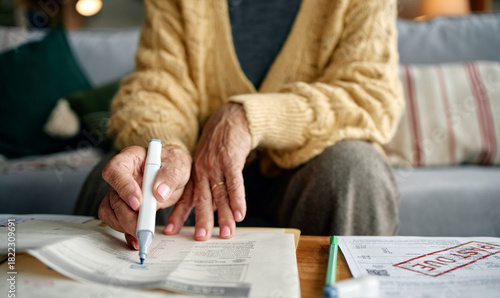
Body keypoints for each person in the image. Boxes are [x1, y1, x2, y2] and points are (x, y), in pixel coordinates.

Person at [75, 0, 404, 249]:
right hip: (195, 180)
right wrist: (168, 150)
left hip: (308, 170)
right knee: (125, 181)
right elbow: (158, 85)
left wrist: (247, 117)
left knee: (357, 170)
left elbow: (370, 96)